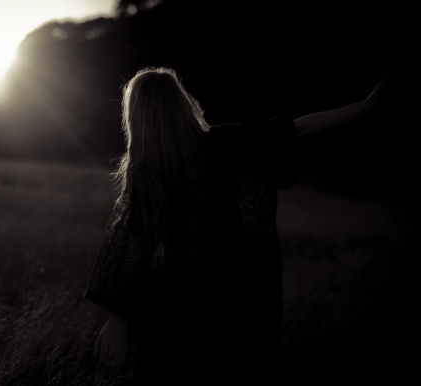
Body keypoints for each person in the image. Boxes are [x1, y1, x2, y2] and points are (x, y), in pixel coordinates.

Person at [83, 67, 395, 385]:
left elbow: (131, 252)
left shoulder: (145, 172)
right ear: (181, 102)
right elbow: (298, 129)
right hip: (233, 289)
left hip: (179, 298)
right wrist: (366, 106)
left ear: (136, 117)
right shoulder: (222, 144)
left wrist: (116, 320)